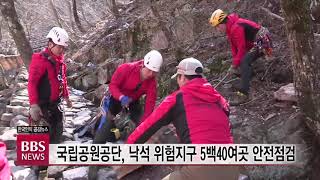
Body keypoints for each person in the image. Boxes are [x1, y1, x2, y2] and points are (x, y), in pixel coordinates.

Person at [127, 57, 239, 180]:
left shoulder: (177, 98)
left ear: (183, 77)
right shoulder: (219, 99)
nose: (178, 82)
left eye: (178, 78)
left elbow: (147, 126)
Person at [88, 50, 163, 180]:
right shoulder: (126, 69)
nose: (151, 74)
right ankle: (94, 163)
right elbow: (113, 86)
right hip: (116, 98)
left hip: (133, 101)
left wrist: (145, 124)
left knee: (141, 124)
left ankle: (133, 149)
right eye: (149, 70)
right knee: (106, 125)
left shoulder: (152, 82)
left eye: (154, 72)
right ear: (143, 65)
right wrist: (121, 97)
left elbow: (150, 104)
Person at [27, 26, 72, 179]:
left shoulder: (60, 61)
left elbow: (62, 80)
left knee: (57, 134)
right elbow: (32, 83)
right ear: (51, 44)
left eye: (63, 48)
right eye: (60, 47)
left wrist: (66, 96)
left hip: (55, 105)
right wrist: (33, 104)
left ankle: (50, 165)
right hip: (41, 107)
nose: (62, 50)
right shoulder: (39, 60)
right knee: (41, 140)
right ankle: (40, 171)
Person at [209, 9, 272, 105]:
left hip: (262, 39)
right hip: (254, 41)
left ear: (223, 23)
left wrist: (235, 64)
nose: (218, 29)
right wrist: (234, 64)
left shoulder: (236, 27)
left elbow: (241, 48)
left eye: (218, 26)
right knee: (242, 61)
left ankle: (244, 94)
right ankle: (248, 78)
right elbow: (235, 48)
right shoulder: (230, 30)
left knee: (244, 61)